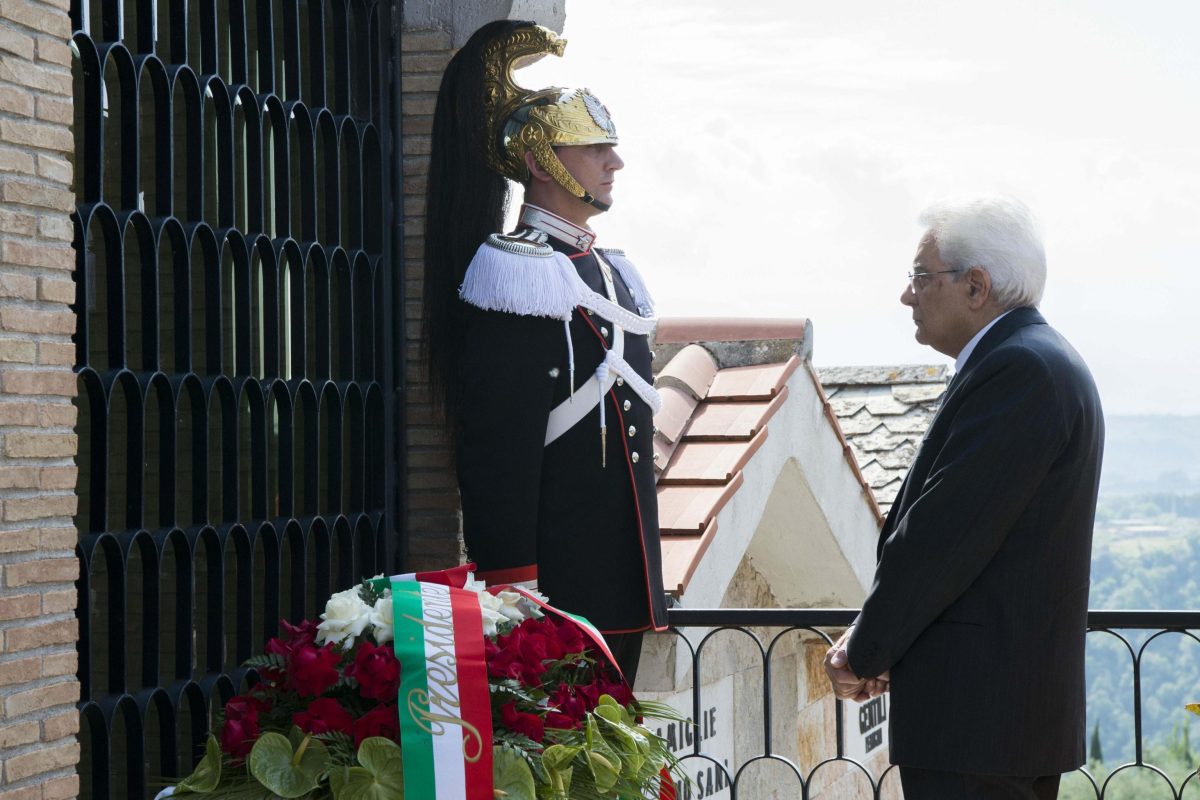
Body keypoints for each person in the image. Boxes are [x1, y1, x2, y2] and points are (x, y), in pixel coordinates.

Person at [823, 196, 1104, 800]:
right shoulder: (1033, 360)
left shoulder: (1020, 369)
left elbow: (942, 538)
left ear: (976, 286)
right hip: (998, 720)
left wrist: (866, 649)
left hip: (979, 724)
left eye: (921, 277)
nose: (907, 295)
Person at [422, 21, 667, 680]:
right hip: (557, 595)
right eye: (594, 148)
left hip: (622, 584)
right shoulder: (516, 270)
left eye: (611, 148)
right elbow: (499, 447)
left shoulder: (612, 271)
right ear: (539, 160)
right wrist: (516, 592)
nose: (614, 163)